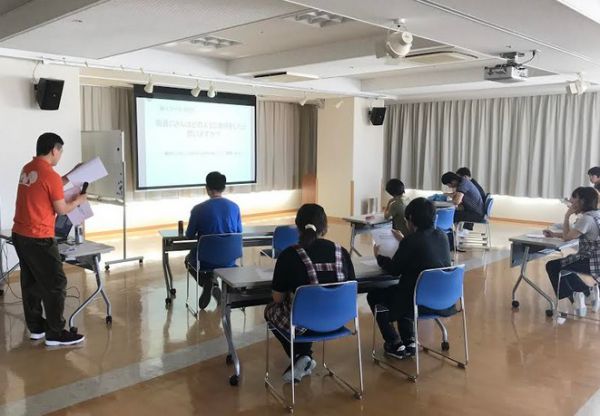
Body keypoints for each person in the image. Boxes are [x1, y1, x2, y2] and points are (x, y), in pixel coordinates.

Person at [264, 204, 355, 383]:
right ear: (325, 227)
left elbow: (277, 298)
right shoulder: (341, 252)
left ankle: (301, 356)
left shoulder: (290, 255)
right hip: (338, 319)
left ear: (298, 227)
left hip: (304, 324)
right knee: (308, 310)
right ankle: (303, 356)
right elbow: (351, 288)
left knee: (270, 310)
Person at [12, 132, 87, 346]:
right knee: (56, 283)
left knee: (31, 282)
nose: (60, 155)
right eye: (60, 151)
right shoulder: (50, 175)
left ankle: (36, 327)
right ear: (54, 150)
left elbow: (51, 185)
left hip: (20, 234)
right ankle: (55, 332)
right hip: (39, 238)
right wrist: (79, 200)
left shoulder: (29, 169)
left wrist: (71, 174)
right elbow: (62, 209)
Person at [367, 198, 452, 359]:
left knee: (375, 296)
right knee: (407, 288)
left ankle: (394, 342)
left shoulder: (411, 241)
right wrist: (404, 241)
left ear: (411, 218)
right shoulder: (442, 236)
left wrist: (379, 257)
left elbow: (394, 270)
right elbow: (423, 251)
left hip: (416, 302)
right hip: (441, 300)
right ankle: (410, 340)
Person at [184, 171, 242, 306]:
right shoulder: (235, 207)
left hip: (206, 260)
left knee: (188, 260)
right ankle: (213, 283)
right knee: (215, 256)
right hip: (229, 260)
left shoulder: (198, 209)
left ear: (207, 188)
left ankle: (207, 282)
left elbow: (189, 235)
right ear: (224, 188)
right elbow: (238, 233)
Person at [544, 187, 600, 316]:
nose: (571, 201)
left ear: (582, 201)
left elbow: (567, 237)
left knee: (553, 266)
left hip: (592, 262)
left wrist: (567, 216)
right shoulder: (596, 215)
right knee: (566, 265)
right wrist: (554, 234)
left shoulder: (586, 219)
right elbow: (576, 233)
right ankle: (588, 293)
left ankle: (576, 298)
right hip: (596, 259)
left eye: (574, 198)